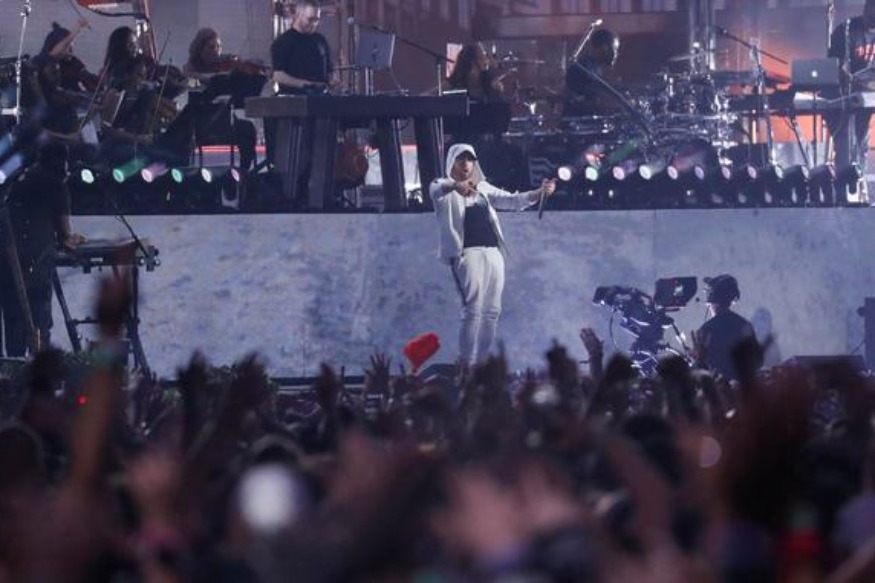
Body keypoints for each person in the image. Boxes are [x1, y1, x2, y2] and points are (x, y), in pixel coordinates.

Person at [430, 143, 556, 368]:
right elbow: (436, 188)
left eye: (470, 159)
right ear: (452, 162)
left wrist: (540, 193)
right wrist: (456, 185)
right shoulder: (444, 189)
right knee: (473, 310)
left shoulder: (483, 188)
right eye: (461, 159)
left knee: (492, 311)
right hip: (467, 253)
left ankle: (482, 363)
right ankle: (465, 363)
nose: (466, 164)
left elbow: (513, 200)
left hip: (493, 252)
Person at [0, 142, 84, 356]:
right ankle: (38, 363)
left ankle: (15, 364)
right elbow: (65, 235)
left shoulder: (19, 178)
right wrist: (73, 240)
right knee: (39, 319)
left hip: (7, 259)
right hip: (36, 261)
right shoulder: (56, 186)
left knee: (13, 319)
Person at [182, 28, 259, 171]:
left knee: (248, 129)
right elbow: (189, 83)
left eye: (219, 46)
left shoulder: (224, 65)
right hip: (202, 123)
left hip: (225, 119)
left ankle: (244, 172)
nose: (216, 51)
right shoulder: (191, 68)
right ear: (200, 49)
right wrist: (210, 79)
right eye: (211, 47)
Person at [827, 0, 875, 175]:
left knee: (861, 144)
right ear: (868, 8)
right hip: (841, 98)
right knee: (845, 146)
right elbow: (833, 67)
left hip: (866, 96)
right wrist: (845, 75)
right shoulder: (846, 31)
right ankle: (844, 185)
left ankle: (858, 181)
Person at [691, 274, 756, 382]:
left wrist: (698, 359)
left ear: (711, 297)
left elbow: (701, 372)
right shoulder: (745, 325)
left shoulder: (707, 329)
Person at [270, 0, 335, 95]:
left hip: (320, 97)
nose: (313, 23)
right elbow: (278, 75)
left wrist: (332, 79)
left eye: (316, 20)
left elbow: (329, 70)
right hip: (294, 98)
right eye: (310, 19)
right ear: (298, 15)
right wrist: (305, 84)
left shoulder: (320, 40)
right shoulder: (282, 42)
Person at [564, 28, 620, 117]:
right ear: (604, 47)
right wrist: (605, 108)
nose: (616, 54)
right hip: (579, 123)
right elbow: (574, 100)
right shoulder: (579, 69)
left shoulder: (595, 68)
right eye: (615, 49)